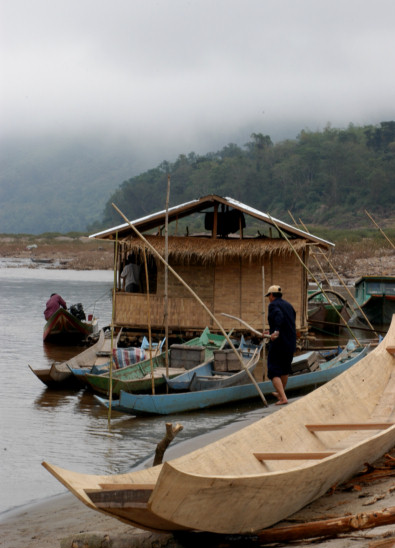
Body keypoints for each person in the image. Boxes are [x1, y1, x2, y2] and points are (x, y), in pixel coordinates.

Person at [264, 284, 296, 405]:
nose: (268, 298)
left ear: (272, 295)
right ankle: (281, 393)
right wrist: (271, 331)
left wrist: (275, 331)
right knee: (284, 370)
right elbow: (288, 322)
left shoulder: (273, 305)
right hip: (290, 342)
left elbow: (279, 317)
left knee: (273, 370)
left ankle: (283, 398)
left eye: (269, 296)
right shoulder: (289, 305)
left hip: (279, 343)